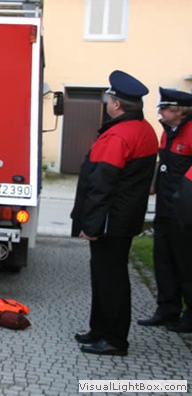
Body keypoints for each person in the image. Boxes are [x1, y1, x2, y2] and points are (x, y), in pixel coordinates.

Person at [71, 70, 158, 356]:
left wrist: (91, 225)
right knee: (106, 276)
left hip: (111, 220)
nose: (107, 102)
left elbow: (101, 184)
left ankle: (114, 339)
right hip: (124, 218)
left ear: (117, 104)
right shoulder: (143, 129)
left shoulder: (119, 135)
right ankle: (99, 329)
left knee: (110, 280)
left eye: (109, 98)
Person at [137, 88, 192, 333]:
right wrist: (154, 183)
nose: (159, 112)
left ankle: (190, 315)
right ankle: (167, 309)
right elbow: (163, 163)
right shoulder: (167, 132)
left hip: (185, 212)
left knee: (186, 264)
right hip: (164, 209)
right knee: (164, 260)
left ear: (179, 111)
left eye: (164, 108)